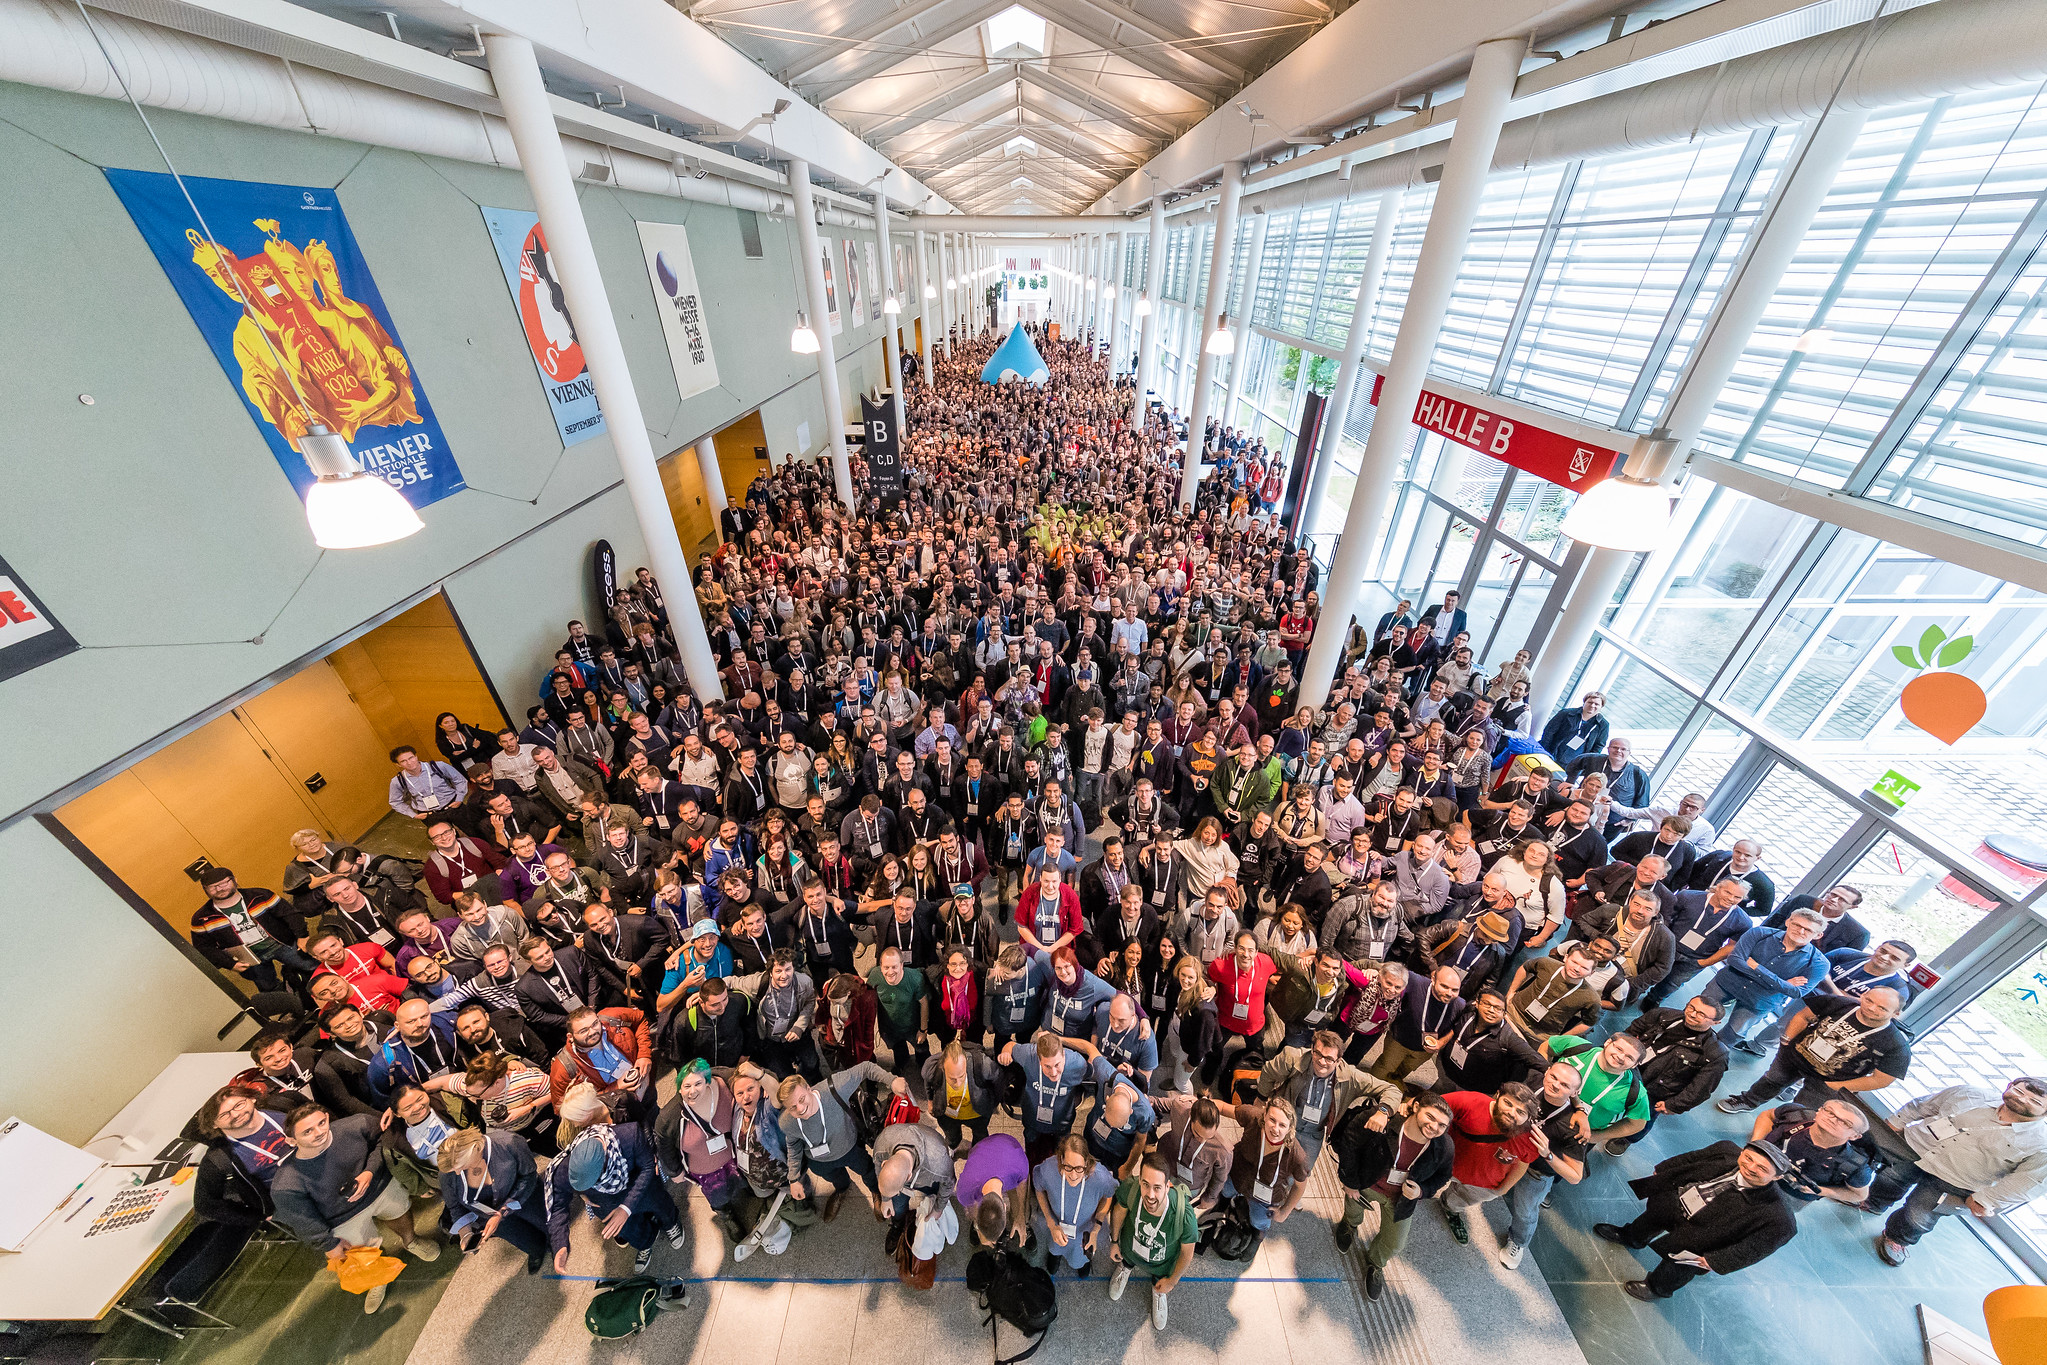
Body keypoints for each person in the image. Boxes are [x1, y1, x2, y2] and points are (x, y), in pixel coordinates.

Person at [269, 1105, 437, 1316]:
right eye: (307, 1131)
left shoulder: (357, 1124)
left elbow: (381, 1140)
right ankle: (376, 1278)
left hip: (378, 1187)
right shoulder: (287, 1183)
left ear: (328, 1116)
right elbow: (304, 1220)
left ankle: (411, 1240)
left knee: (399, 1212)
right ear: (291, 1141)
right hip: (342, 1217)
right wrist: (329, 1244)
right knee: (360, 1252)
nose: (319, 1132)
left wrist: (369, 1171)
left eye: (321, 1123)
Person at [1868, 1075, 2047, 1266]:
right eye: (2019, 1091)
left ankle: (1897, 1239)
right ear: (2009, 1085)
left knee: (1919, 1216)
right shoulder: (1970, 1094)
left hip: (1957, 1180)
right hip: (1916, 1148)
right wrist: (1896, 1122)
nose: (2022, 1099)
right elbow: (1924, 1104)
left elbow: (2029, 1182)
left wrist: (1987, 1200)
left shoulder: (2041, 1144)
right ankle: (1874, 1203)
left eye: (2035, 1101)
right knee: (1888, 1178)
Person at [1593, 1139, 1799, 1300]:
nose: (1751, 1168)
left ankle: (1658, 1288)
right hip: (1678, 1201)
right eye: (1749, 1158)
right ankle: (1632, 1237)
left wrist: (1715, 1261)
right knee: (1651, 1219)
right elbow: (1692, 1158)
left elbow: (1753, 1248)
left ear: (1777, 1177)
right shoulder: (1726, 1150)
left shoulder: (1778, 1218)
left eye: (1762, 1169)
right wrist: (1664, 1169)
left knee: (1679, 1266)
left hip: (1704, 1237)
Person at [1332, 1091, 1455, 1297]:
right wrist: (1349, 1182)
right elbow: (1350, 1144)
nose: (1434, 1127)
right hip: (1366, 1183)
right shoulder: (1384, 1123)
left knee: (1395, 1243)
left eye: (1442, 1125)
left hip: (1400, 1200)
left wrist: (1422, 1191)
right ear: (1415, 1108)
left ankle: (1375, 1263)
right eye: (1430, 1117)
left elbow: (1443, 1176)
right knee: (1353, 1208)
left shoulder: (1444, 1147)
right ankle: (1349, 1225)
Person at [1715, 986, 1910, 1113]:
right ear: (1863, 995)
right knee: (1771, 1080)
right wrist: (1787, 1038)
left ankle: (1782, 1132)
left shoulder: (1895, 1045)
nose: (1872, 1008)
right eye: (1869, 1000)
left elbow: (1881, 1080)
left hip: (1830, 1080)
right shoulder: (1839, 1003)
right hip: (1794, 1056)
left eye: (1882, 1008)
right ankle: (1748, 1101)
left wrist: (1839, 1087)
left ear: (1896, 1013)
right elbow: (1804, 1016)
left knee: (1804, 1110)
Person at [543, 1120, 684, 1275]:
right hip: (608, 1207)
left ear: (605, 1163)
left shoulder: (629, 1135)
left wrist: (626, 1208)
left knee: (661, 1205)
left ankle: (670, 1224)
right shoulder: (566, 1168)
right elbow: (557, 1206)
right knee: (629, 1229)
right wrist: (560, 1245)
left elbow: (648, 1167)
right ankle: (646, 1241)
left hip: (641, 1189)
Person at [1437, 1083, 1540, 1246]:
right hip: (1443, 1164)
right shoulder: (1470, 1102)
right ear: (1497, 1096)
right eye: (1508, 1103)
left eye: (1521, 1112)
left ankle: (1450, 1208)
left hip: (1483, 1184)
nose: (1512, 1113)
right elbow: (1431, 1106)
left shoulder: (1529, 1138)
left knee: (1460, 1200)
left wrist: (1503, 1189)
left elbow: (1523, 1162)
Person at [1106, 1155, 1200, 1332]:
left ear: (1167, 1186)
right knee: (1126, 1259)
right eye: (1145, 1184)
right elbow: (1119, 1211)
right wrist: (1114, 1241)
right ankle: (1125, 1267)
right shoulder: (1131, 1189)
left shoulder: (1184, 1215)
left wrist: (1171, 1281)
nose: (1150, 1195)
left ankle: (1158, 1290)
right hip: (1130, 1248)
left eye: (1157, 1188)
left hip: (1161, 1263)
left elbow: (1187, 1253)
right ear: (1140, 1180)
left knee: (1161, 1280)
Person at [435, 1127, 548, 1274]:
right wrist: (466, 1234)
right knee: (525, 1241)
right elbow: (455, 1207)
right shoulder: (447, 1175)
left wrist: (501, 1213)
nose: (457, 1172)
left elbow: (529, 1176)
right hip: (489, 1217)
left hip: (524, 1196)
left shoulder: (509, 1142)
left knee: (548, 1227)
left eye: (461, 1166)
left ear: (476, 1148)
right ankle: (535, 1251)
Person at [1752, 1098, 1876, 1208]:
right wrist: (1755, 1145)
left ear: (1855, 1136)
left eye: (1845, 1123)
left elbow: (1859, 1195)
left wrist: (1820, 1191)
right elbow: (1767, 1116)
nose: (1833, 1120)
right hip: (1755, 1167)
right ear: (1819, 1111)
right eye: (1830, 1112)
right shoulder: (1795, 1115)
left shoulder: (1855, 1165)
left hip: (1790, 1195)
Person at [1031, 1136, 1119, 1275]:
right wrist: (1050, 1222)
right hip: (1056, 1226)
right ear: (1061, 1160)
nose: (1073, 1175)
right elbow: (1039, 1188)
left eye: (1079, 1168)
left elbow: (1108, 1196)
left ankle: (1082, 1261)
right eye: (1068, 1167)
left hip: (1084, 1232)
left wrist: (1096, 1228)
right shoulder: (1048, 1168)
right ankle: (1056, 1255)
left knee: (1080, 1259)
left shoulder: (1100, 1177)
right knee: (1055, 1247)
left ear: (1087, 1162)